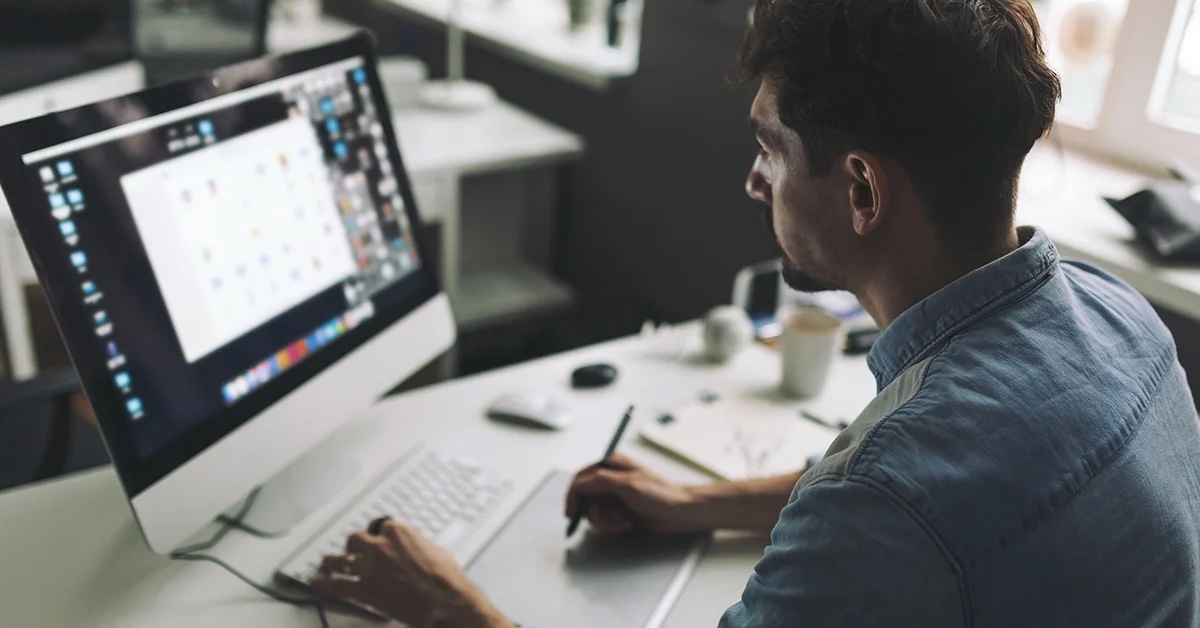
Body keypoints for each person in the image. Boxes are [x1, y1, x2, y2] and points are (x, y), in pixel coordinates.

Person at [310, 0, 1200, 625]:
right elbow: (944, 510)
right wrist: (696, 503)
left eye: (771, 147)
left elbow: (899, 503)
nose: (752, 179)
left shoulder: (887, 494)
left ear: (861, 187)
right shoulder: (1119, 317)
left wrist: (447, 608)